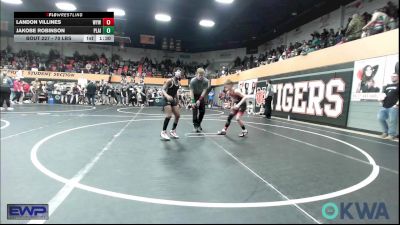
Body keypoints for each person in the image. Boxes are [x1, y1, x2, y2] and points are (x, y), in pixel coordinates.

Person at [377, 62, 399, 141]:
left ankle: (391, 134)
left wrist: (397, 105)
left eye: (394, 76)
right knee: (380, 118)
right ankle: (385, 132)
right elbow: (383, 95)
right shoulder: (387, 86)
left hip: (394, 107)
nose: (392, 77)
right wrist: (381, 101)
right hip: (384, 106)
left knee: (393, 121)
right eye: (392, 76)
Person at [160, 69, 182, 141]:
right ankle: (163, 132)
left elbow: (175, 93)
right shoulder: (169, 80)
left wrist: (178, 102)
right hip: (166, 99)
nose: (179, 73)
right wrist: (167, 96)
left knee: (178, 115)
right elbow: (163, 89)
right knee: (169, 115)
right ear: (175, 73)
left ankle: (173, 131)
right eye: (178, 71)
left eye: (180, 72)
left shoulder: (178, 83)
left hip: (173, 99)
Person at [189, 68, 209, 132]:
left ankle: (198, 124)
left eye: (202, 75)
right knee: (195, 111)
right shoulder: (193, 81)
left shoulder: (206, 81)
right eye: (199, 75)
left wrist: (199, 100)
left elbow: (204, 91)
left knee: (202, 111)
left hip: (201, 96)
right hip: (194, 95)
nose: (201, 77)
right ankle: (195, 125)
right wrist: (193, 101)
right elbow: (191, 91)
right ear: (196, 74)